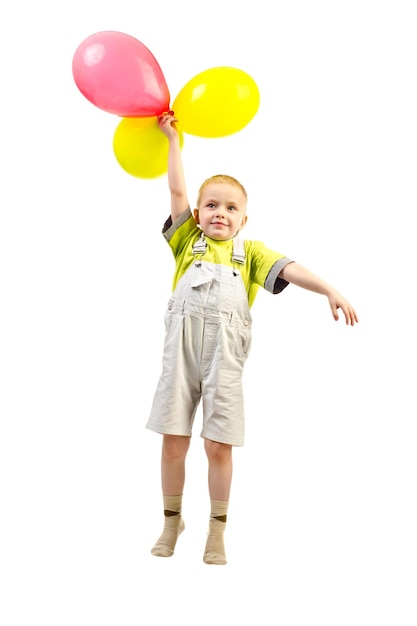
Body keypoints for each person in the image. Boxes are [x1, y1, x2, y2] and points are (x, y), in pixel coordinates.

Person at [146, 112, 358, 565]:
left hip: (223, 360)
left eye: (230, 208)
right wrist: (173, 140)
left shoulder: (252, 254)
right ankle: (171, 520)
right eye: (211, 205)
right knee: (173, 439)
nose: (219, 213)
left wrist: (329, 289)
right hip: (180, 357)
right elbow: (176, 190)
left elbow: (292, 269)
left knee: (217, 444)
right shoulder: (187, 243)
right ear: (198, 213)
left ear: (243, 220)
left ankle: (217, 529)